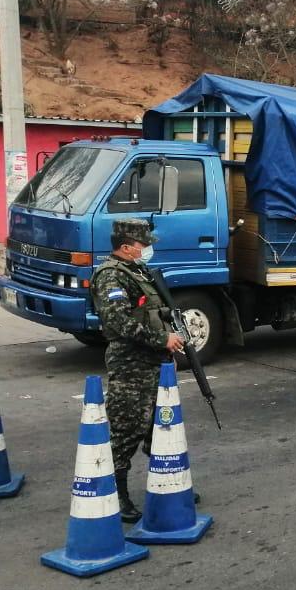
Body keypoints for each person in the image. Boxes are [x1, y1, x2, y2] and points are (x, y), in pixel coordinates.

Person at [90, 218, 185, 523]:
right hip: (131, 364)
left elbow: (151, 311)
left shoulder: (137, 271)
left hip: (155, 362)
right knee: (126, 432)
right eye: (144, 245)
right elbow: (119, 323)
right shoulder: (110, 276)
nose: (147, 250)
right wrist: (161, 338)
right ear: (127, 247)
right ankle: (116, 495)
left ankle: (168, 486)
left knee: (159, 429)